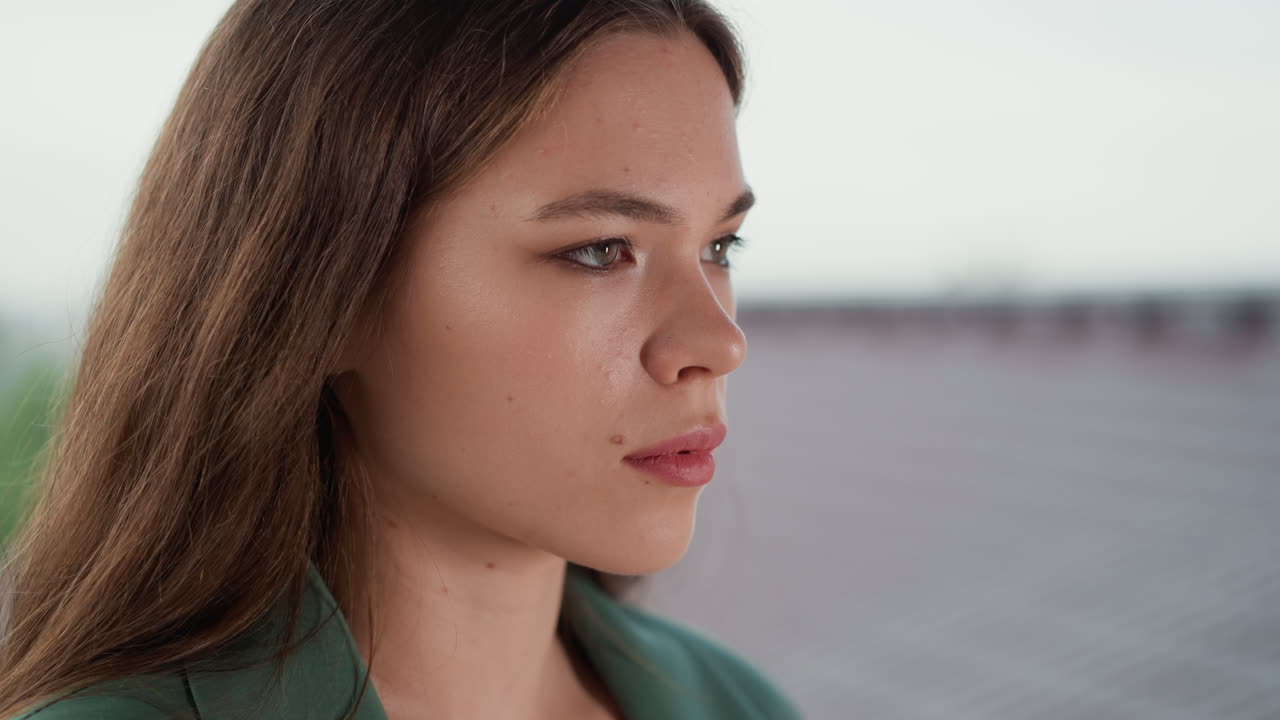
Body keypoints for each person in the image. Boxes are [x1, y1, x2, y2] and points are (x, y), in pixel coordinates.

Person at [0, 1, 803, 718]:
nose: (720, 342)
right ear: (324, 293)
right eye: (600, 250)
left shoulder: (742, 704)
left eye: (719, 245)